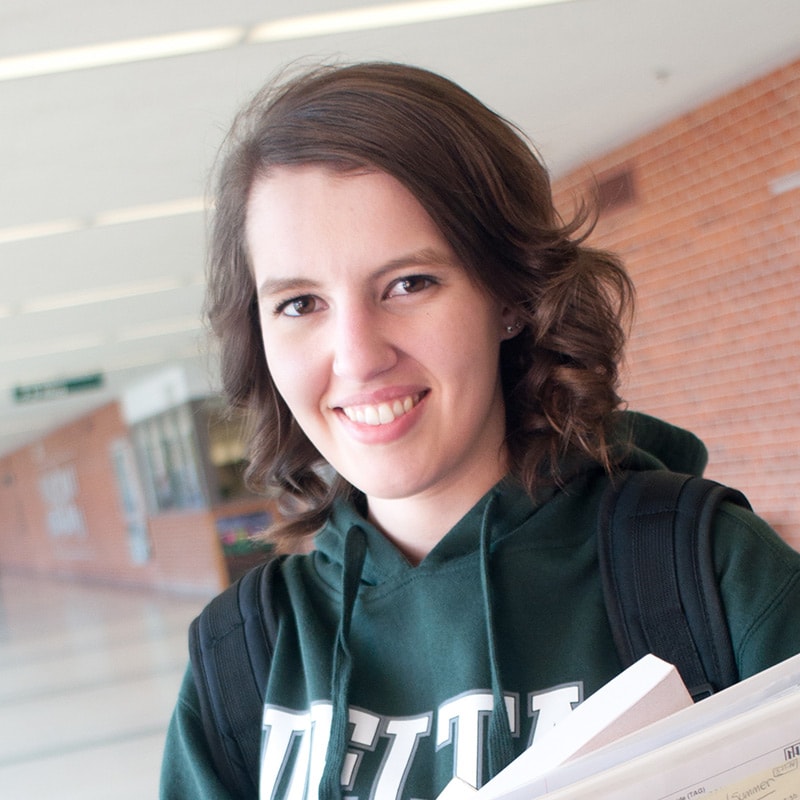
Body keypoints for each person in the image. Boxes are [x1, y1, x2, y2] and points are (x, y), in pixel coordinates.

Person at [160, 62, 800, 799]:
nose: (359, 356)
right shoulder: (245, 658)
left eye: (409, 284)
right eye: (301, 303)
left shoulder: (708, 573)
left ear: (510, 297)